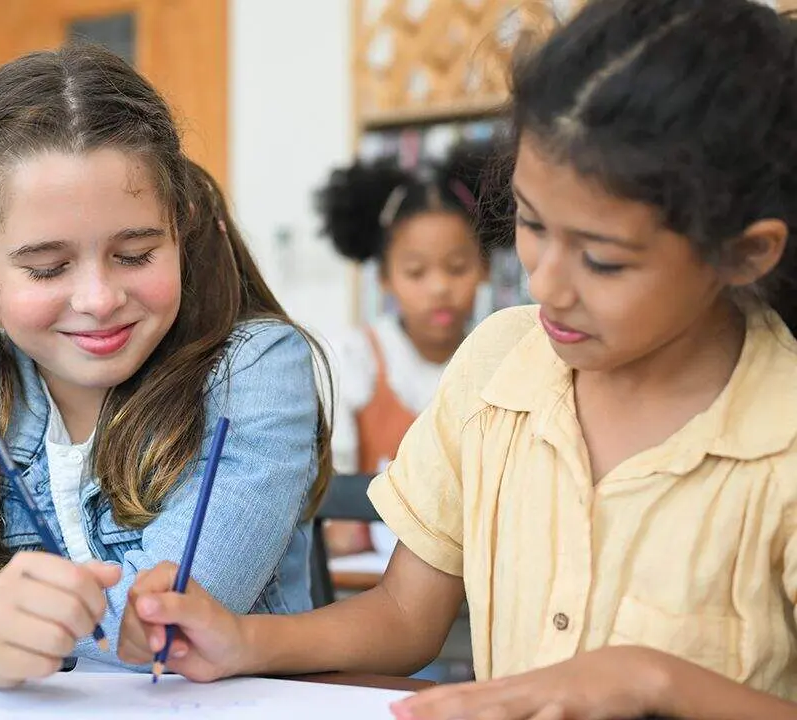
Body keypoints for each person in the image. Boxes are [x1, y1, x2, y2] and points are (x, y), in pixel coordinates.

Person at [118, 1, 797, 717]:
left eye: (603, 260)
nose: (546, 284)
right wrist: (245, 642)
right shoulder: (501, 366)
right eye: (531, 225)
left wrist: (652, 683)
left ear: (747, 252)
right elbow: (407, 615)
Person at [0, 44, 332, 691]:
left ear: (179, 228)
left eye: (134, 254)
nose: (98, 300)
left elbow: (162, 626)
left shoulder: (254, 372)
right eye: (48, 268)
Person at [316, 141, 497, 560]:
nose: (439, 288)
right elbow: (335, 509)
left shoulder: (500, 360)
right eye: (416, 272)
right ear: (384, 278)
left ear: (485, 265)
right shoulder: (354, 358)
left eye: (457, 267)